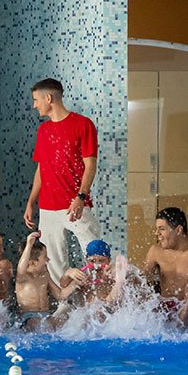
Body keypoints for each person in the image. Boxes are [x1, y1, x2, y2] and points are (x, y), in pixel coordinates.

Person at [23, 78, 101, 282]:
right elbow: (41, 168)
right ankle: (64, 299)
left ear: (48, 98)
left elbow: (90, 165)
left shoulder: (83, 124)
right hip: (48, 207)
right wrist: (31, 201)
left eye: (36, 99)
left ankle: (98, 296)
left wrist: (81, 197)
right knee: (53, 263)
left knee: (96, 253)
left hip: (76, 204)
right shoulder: (43, 130)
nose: (34, 105)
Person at [14, 232, 70, 331]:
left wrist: (76, 283)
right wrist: (29, 245)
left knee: (65, 322)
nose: (48, 259)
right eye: (45, 257)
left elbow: (60, 295)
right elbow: (21, 268)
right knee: (36, 323)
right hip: (28, 317)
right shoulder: (23, 277)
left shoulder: (45, 275)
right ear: (32, 262)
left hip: (46, 316)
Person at [59, 239, 129, 309]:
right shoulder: (83, 278)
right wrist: (68, 274)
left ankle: (119, 284)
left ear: (109, 261)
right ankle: (119, 283)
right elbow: (62, 295)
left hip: (109, 309)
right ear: (86, 261)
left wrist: (119, 272)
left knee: (106, 305)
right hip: (88, 313)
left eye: (101, 261)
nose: (96, 265)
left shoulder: (112, 276)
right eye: (92, 261)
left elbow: (134, 277)